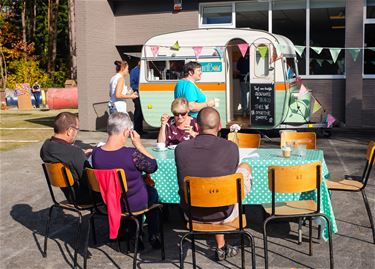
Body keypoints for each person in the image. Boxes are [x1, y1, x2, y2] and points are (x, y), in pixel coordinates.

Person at [175, 107, 253, 261]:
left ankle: (221, 244)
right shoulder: (231, 147)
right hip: (225, 212)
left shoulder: (181, 149)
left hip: (192, 213)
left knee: (215, 185)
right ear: (219, 127)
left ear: (196, 126)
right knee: (243, 168)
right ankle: (221, 244)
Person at [91, 112, 161, 249]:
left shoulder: (96, 154)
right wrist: (139, 145)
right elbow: (153, 166)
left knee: (141, 191)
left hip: (110, 202)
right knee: (152, 193)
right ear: (126, 132)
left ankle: (132, 233)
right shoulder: (131, 154)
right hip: (132, 203)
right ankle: (153, 235)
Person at [40, 112, 92, 204]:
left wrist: (81, 155)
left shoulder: (46, 147)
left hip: (69, 194)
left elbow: (64, 154)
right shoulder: (74, 153)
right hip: (84, 196)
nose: (76, 133)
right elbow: (89, 180)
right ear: (70, 131)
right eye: (77, 129)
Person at [130, 61, 145, 135]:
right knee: (138, 111)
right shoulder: (134, 71)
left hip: (142, 93)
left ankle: (140, 129)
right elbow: (132, 84)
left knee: (141, 112)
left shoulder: (142, 70)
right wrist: (138, 88)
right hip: (137, 93)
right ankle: (136, 130)